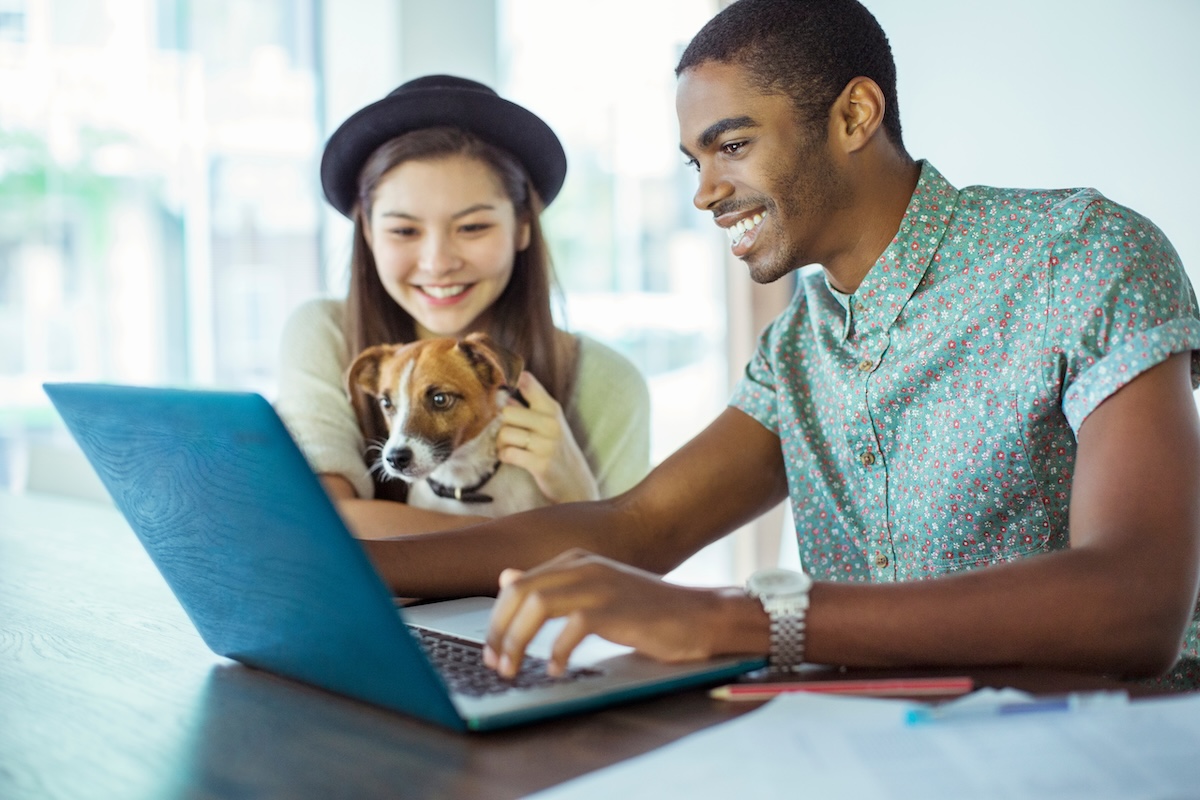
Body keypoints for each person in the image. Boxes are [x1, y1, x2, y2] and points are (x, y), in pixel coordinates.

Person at [358, 0, 1200, 691]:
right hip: (867, 743)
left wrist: (737, 618)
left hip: (1102, 748)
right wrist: (351, 569)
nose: (706, 193)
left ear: (854, 115)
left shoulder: (1081, 253)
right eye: (694, 160)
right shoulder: (801, 342)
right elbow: (640, 525)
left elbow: (1135, 602)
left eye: (731, 145)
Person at [274, 75, 651, 537]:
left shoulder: (607, 383)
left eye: (472, 227)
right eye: (404, 231)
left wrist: (577, 491)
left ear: (522, 228)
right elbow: (317, 525)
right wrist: (556, 531)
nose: (438, 263)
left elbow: (628, 580)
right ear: (369, 234)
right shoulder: (325, 334)